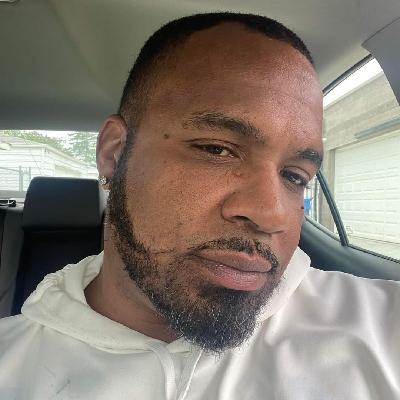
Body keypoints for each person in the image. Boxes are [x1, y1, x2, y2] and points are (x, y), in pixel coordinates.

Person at [0, 12, 399, 400]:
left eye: (295, 176)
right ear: (114, 154)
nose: (271, 214)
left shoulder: (382, 327)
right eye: (216, 149)